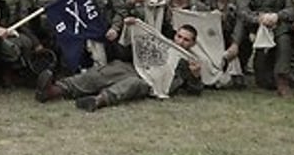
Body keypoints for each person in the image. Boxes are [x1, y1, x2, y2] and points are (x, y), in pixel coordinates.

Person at [35, 24, 204, 111]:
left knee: (132, 84)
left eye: (186, 40)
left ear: (193, 43)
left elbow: (195, 90)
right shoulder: (163, 44)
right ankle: (55, 90)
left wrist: (195, 76)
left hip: (152, 83)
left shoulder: (190, 61)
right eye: (179, 36)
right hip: (136, 68)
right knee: (103, 73)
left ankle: (97, 101)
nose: (180, 41)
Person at [235, 0, 294, 95]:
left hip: (278, 26)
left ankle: (282, 79)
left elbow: (291, 10)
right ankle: (239, 72)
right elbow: (242, 10)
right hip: (255, 27)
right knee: (263, 82)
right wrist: (258, 18)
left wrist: (276, 16)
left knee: (284, 38)